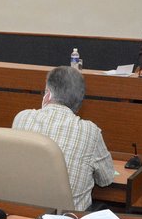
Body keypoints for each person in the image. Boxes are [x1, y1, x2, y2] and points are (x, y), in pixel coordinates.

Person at [12, 66, 114, 210]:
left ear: (48, 94)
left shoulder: (21, 118)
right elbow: (106, 179)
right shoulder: (90, 131)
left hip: (23, 215)